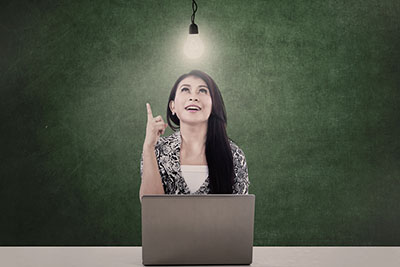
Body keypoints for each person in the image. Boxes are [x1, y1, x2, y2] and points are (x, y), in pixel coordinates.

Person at [139, 70, 249, 202]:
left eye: (202, 91)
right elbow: (152, 208)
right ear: (172, 106)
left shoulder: (234, 155)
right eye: (185, 89)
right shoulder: (156, 150)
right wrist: (148, 147)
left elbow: (239, 214)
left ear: (213, 105)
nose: (193, 97)